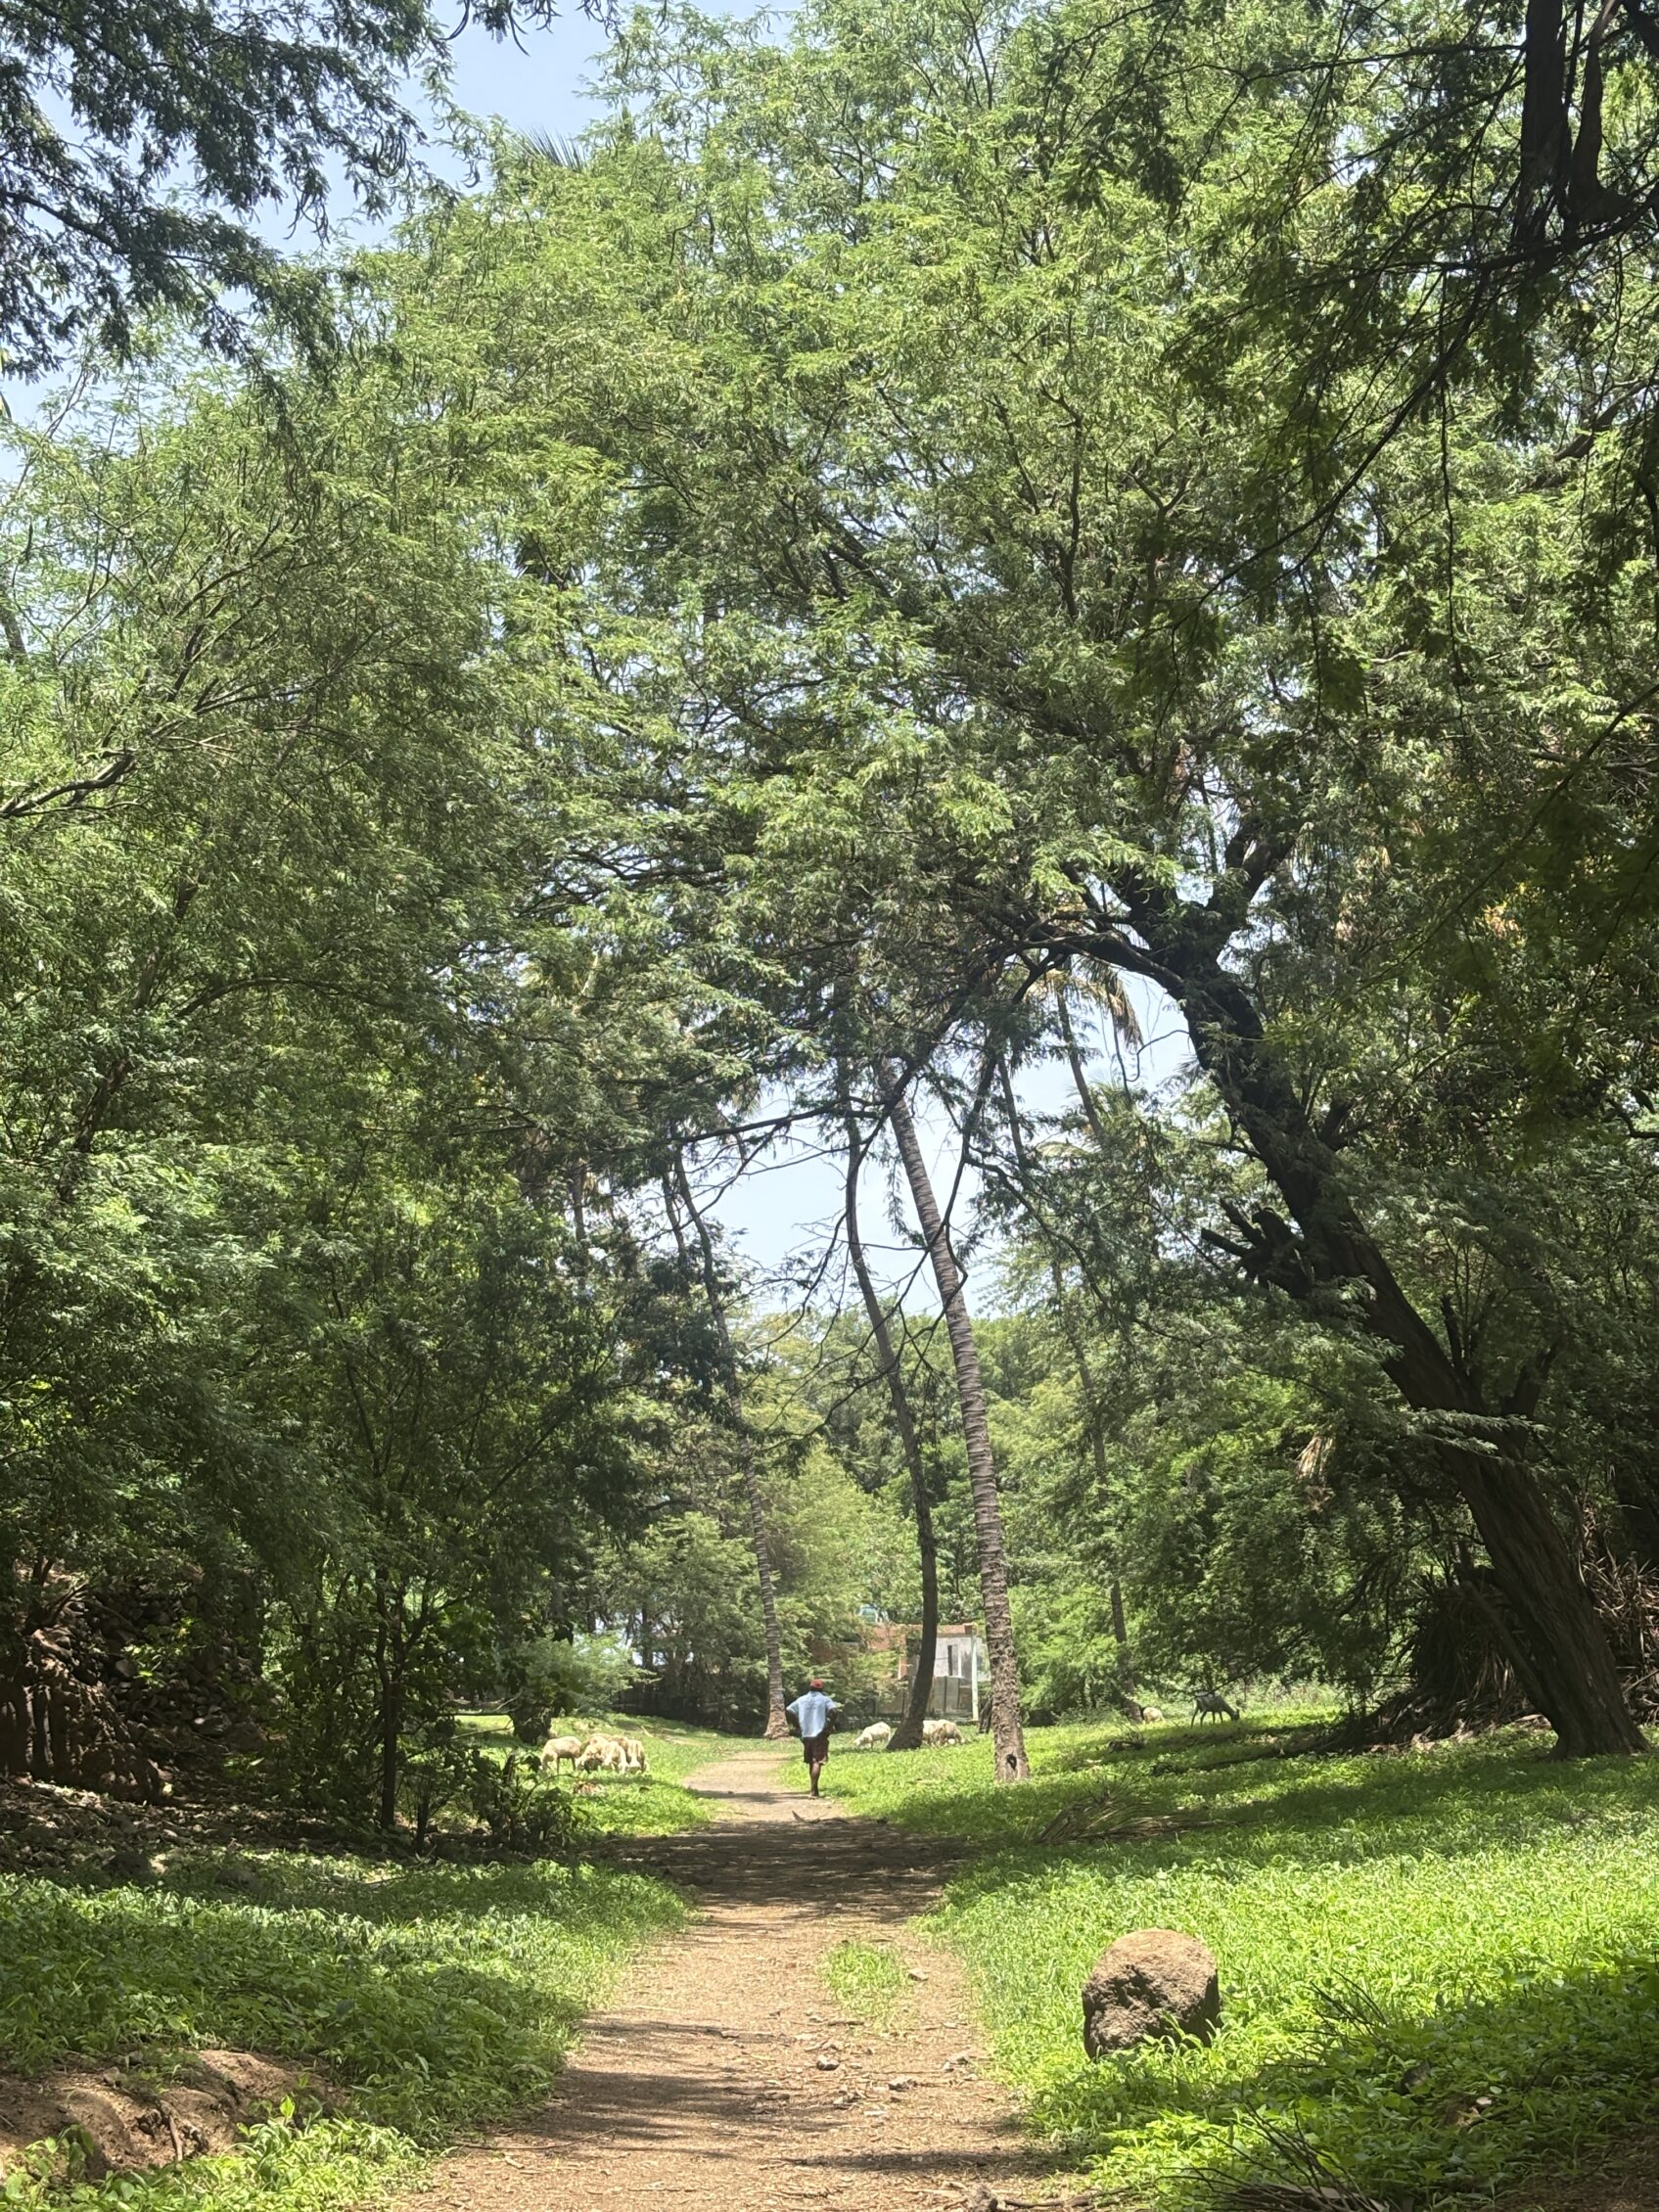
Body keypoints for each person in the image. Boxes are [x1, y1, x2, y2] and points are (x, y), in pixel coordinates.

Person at [786, 1677, 840, 1797]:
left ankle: (815, 1790)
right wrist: (829, 1727)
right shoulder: (825, 1699)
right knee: (817, 1762)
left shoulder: (802, 1699)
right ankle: (812, 1791)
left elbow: (789, 1710)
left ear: (810, 1687)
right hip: (819, 1733)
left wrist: (797, 1725)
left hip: (806, 1734)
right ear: (822, 1689)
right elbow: (835, 1711)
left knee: (811, 1761)